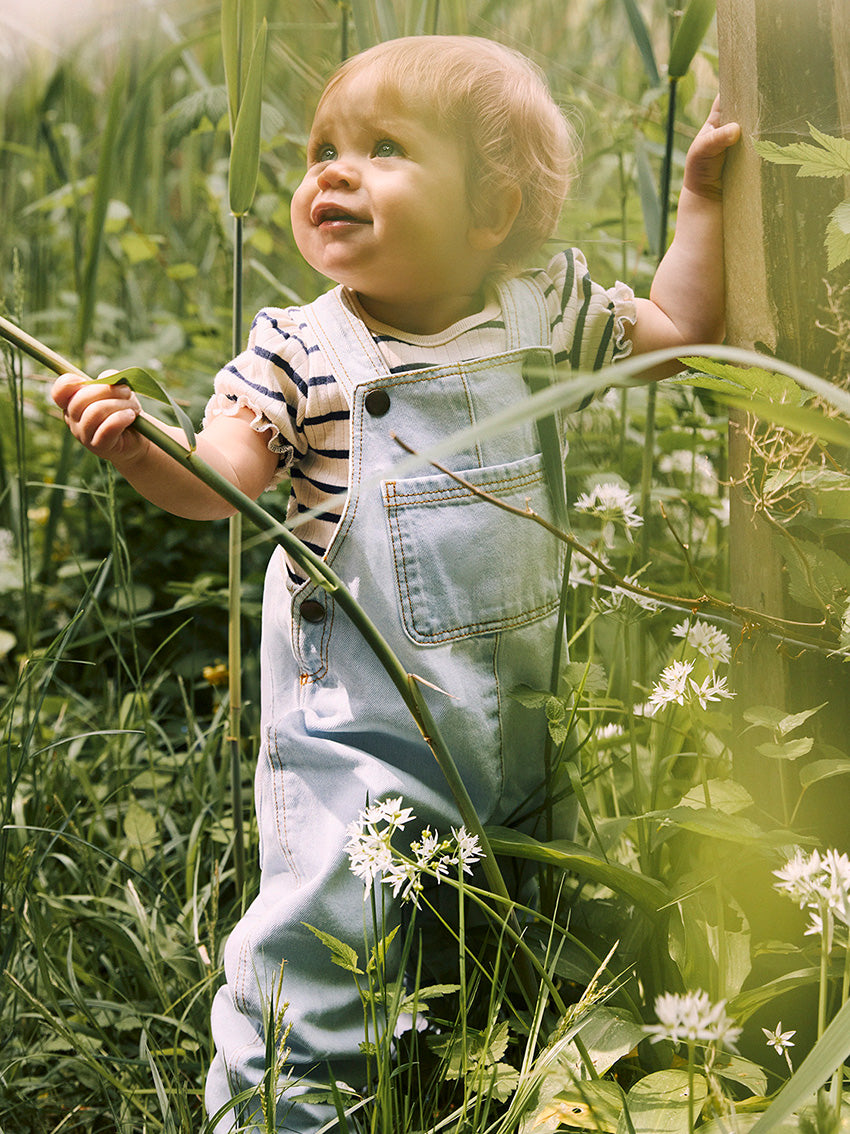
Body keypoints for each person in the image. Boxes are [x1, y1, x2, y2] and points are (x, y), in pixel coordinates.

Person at [51, 34, 740, 1133]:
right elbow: (221, 482)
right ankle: (281, 1110)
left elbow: (675, 336)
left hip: (516, 722)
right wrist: (143, 448)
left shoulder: (539, 311)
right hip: (361, 744)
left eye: (383, 148)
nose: (332, 171)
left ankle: (477, 1065)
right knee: (333, 937)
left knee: (507, 911)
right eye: (321, 149)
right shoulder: (302, 353)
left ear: (493, 209)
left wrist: (701, 202)